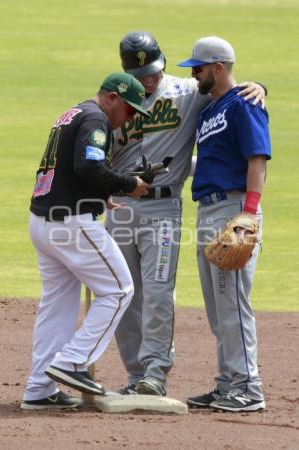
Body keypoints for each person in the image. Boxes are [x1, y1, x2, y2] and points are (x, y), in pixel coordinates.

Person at [105, 31, 267, 397]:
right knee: (122, 292)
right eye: (140, 74)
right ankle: (135, 374)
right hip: (120, 206)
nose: (148, 80)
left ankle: (155, 373)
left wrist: (259, 87)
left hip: (164, 208)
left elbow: (230, 91)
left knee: (159, 291)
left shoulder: (188, 92)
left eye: (154, 71)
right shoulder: (115, 101)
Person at [21, 72, 151, 410]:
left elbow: (69, 169)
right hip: (69, 223)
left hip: (42, 222)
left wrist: (99, 195)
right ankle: (72, 362)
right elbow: (89, 168)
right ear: (111, 98)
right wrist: (127, 185)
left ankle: (39, 389)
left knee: (58, 305)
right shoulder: (96, 118)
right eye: (130, 110)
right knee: (120, 289)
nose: (130, 119)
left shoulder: (73, 113)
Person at [178, 36, 271, 412]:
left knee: (233, 303)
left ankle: (249, 387)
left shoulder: (244, 104)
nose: (194, 74)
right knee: (219, 308)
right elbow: (214, 161)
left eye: (198, 68)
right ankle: (227, 383)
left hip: (233, 210)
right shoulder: (208, 111)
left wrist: (248, 214)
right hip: (208, 209)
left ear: (218, 68)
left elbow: (257, 160)